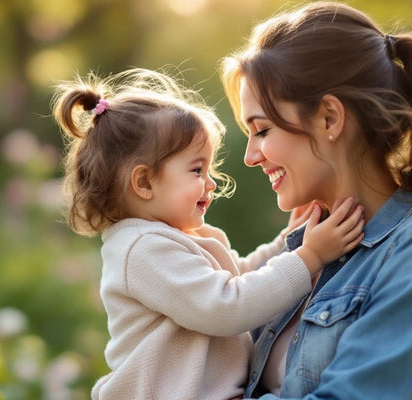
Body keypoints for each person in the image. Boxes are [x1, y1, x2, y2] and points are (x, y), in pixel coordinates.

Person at [52, 68, 364, 400]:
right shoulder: (143, 250)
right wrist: (310, 257)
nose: (211, 183)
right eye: (197, 170)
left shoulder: (172, 238)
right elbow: (228, 306)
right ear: (144, 183)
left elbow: (239, 276)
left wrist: (286, 242)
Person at [220, 2, 412, 399]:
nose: (250, 156)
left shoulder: (404, 254)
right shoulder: (300, 250)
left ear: (329, 118)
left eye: (262, 130)